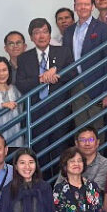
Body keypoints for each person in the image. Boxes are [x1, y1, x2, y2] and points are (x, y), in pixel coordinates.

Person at [14, 17, 71, 166]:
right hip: (36, 114)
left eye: (45, 32)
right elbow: (20, 84)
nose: (41, 36)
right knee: (40, 157)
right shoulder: (24, 58)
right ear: (32, 38)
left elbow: (72, 75)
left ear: (50, 35)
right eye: (37, 33)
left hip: (60, 112)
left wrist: (56, 73)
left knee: (61, 156)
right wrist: (41, 80)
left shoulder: (63, 52)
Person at [62, 0, 107, 129]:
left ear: (92, 6)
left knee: (97, 129)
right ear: (74, 7)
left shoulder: (103, 29)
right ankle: (83, 152)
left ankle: (97, 152)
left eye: (86, 4)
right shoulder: (68, 31)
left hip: (97, 86)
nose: (83, 7)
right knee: (81, 130)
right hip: (75, 87)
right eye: (79, 4)